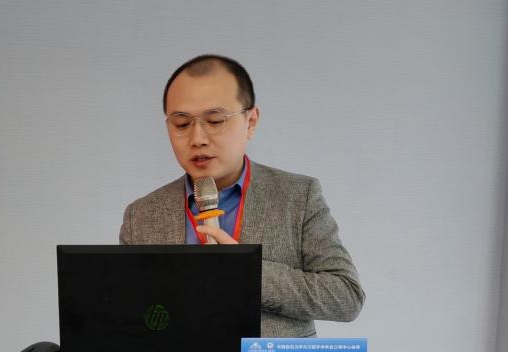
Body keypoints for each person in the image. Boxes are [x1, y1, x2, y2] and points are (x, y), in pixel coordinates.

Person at [119, 54, 364, 337]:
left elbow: (346, 297)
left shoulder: (298, 196)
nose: (197, 139)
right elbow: (131, 313)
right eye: (182, 124)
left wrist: (247, 272)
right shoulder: (141, 215)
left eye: (215, 120)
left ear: (251, 121)